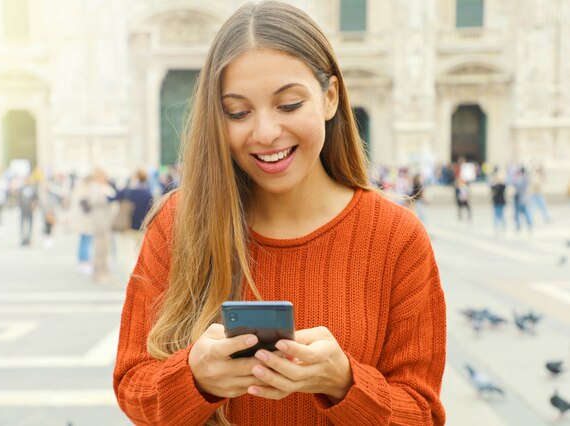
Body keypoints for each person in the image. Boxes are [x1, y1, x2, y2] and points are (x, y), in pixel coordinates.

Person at [113, 2, 446, 425]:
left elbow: (423, 415)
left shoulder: (397, 237)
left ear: (330, 97)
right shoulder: (179, 223)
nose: (266, 133)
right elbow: (132, 389)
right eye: (238, 112)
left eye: (288, 105)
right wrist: (195, 378)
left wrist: (345, 383)